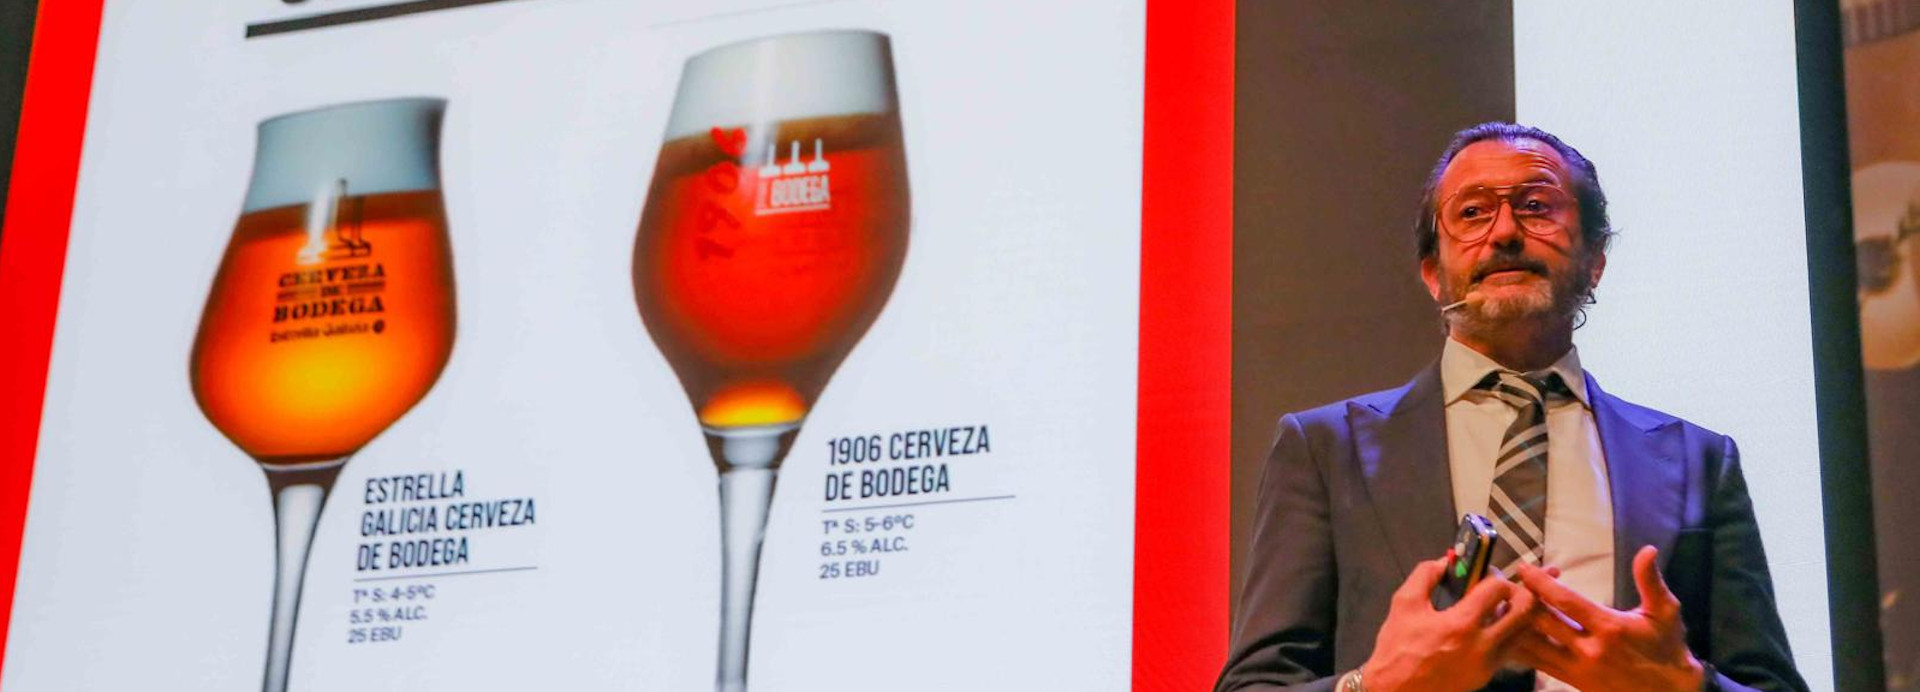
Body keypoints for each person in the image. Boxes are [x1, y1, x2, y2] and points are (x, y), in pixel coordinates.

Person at [1215, 122, 1809, 692]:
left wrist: (1683, 687)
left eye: (1536, 206)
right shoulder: (1325, 451)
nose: (1504, 232)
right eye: (1472, 213)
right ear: (1433, 274)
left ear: (1595, 262)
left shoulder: (1700, 461)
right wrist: (1377, 686)